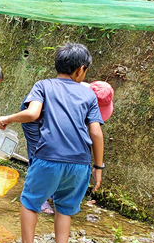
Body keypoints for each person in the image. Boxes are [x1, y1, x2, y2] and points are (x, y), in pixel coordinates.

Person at [0, 43, 104, 243]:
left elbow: (33, 113)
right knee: (65, 207)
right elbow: (95, 132)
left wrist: (8, 118)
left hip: (48, 157)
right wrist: (98, 166)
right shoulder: (88, 94)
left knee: (30, 201)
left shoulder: (43, 85)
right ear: (81, 70)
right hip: (80, 162)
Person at [22, 80, 114, 215]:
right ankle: (38, 197)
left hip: (54, 115)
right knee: (39, 151)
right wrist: (98, 167)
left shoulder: (92, 94)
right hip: (34, 111)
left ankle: (54, 191)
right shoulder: (75, 92)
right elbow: (95, 133)